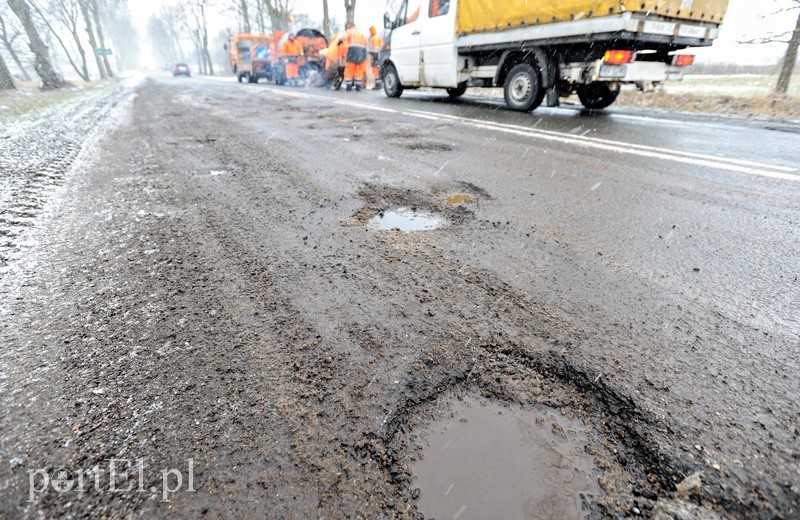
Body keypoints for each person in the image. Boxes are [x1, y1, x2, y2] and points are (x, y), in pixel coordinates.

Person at [343, 23, 368, 91]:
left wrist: (339, 42)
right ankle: (358, 85)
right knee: (359, 69)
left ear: (350, 27)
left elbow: (344, 38)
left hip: (352, 52)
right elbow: (366, 44)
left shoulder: (350, 31)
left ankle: (348, 85)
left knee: (349, 69)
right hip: (360, 53)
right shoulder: (361, 33)